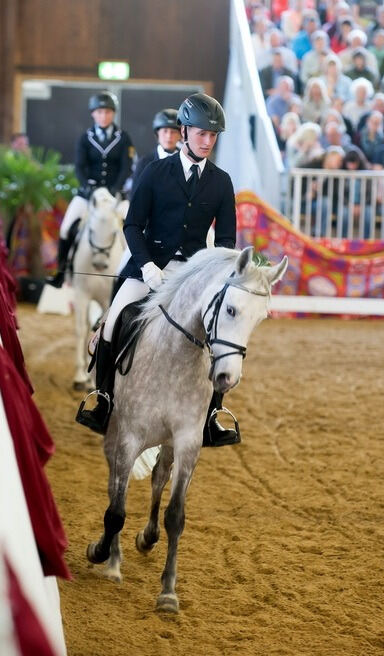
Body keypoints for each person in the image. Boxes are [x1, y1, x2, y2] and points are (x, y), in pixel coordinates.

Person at [76, 93, 241, 448]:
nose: (208, 141)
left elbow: (227, 239)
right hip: (150, 266)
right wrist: (148, 266)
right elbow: (133, 225)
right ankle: (103, 399)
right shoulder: (154, 171)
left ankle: (213, 415)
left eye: (213, 136)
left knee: (220, 333)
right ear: (183, 131)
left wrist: (216, 273)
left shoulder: (221, 181)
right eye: (201, 134)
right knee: (116, 318)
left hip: (194, 275)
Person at [47, 91, 134, 288]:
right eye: (100, 112)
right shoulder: (85, 138)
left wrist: (114, 189)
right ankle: (60, 273)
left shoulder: (123, 138)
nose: (104, 116)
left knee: (134, 229)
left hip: (115, 194)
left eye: (108, 112)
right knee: (66, 227)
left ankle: (133, 274)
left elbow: (126, 167)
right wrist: (89, 187)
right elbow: (79, 167)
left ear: (113, 114)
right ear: (93, 114)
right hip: (89, 194)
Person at [133, 109, 180, 187]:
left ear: (180, 135)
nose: (169, 136)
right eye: (165, 131)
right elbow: (135, 196)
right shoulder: (144, 163)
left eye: (173, 132)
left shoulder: (187, 162)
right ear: (157, 133)